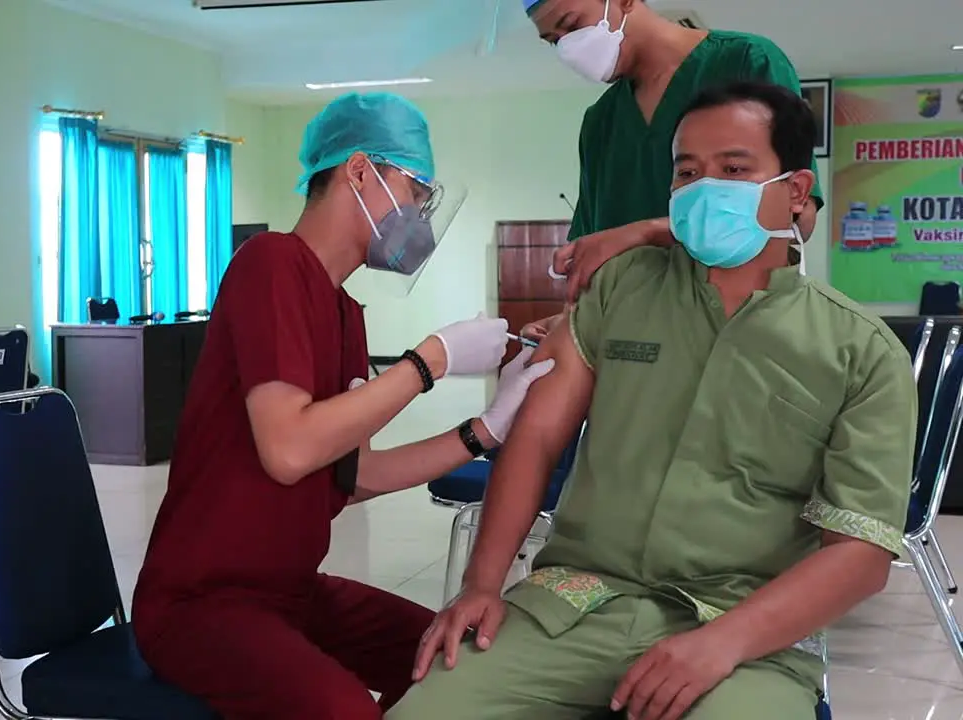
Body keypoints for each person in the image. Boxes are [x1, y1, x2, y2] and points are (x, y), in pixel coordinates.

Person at [391, 81, 915, 720]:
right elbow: (535, 438)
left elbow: (860, 554)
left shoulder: (861, 352)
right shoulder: (621, 291)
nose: (703, 188)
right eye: (687, 172)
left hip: (743, 632)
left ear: (796, 191)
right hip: (575, 603)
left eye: (733, 169)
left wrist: (722, 643)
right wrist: (480, 584)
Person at [132, 92, 555, 720]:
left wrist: (488, 428)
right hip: (203, 603)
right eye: (417, 192)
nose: (420, 215)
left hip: (290, 593)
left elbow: (355, 475)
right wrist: (431, 358)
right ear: (359, 171)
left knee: (454, 660)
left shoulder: (342, 311)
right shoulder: (270, 264)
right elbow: (290, 449)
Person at [519, 0, 824, 338]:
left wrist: (645, 233)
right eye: (552, 40)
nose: (567, 47)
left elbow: (798, 217)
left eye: (572, 24)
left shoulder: (745, 61)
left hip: (736, 334)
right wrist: (572, 324)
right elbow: (593, 256)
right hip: (632, 345)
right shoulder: (600, 122)